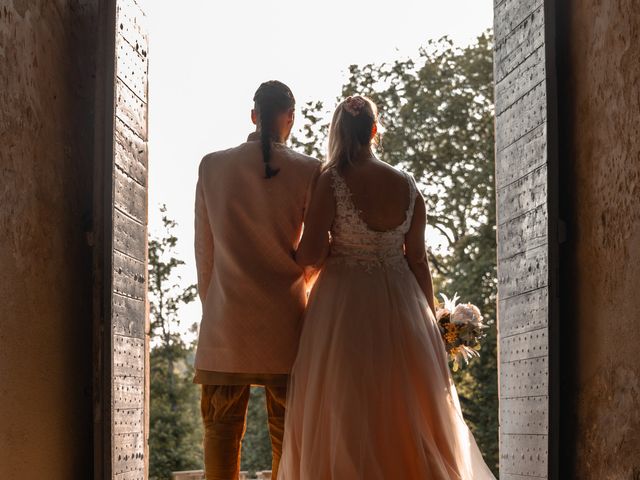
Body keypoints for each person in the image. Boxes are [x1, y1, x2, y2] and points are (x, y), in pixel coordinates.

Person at [277, 95, 497, 479]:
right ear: (375, 132)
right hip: (403, 301)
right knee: (407, 406)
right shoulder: (408, 186)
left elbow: (309, 255)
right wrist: (431, 321)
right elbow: (418, 260)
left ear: (338, 133)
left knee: (347, 406)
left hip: (344, 307)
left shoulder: (331, 181)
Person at [192, 80, 321, 480]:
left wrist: (213, 305)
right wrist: (303, 285)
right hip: (286, 320)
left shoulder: (212, 165)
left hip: (226, 316)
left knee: (220, 431)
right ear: (290, 118)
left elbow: (204, 252)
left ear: (253, 115)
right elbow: (315, 254)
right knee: (288, 433)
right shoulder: (309, 170)